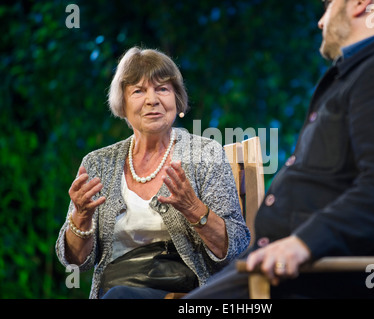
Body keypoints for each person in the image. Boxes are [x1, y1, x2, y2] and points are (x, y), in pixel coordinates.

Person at [185, 0, 374, 299]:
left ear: (359, 4)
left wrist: (303, 244)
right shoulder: (367, 72)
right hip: (286, 271)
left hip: (325, 278)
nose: (321, 22)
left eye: (328, 5)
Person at [55, 47, 250, 299]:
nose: (152, 100)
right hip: (116, 290)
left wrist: (194, 209)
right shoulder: (98, 163)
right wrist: (81, 217)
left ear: (177, 99)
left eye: (162, 89)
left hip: (188, 295)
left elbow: (236, 246)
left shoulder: (205, 154)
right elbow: (75, 262)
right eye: (138, 90)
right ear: (122, 104)